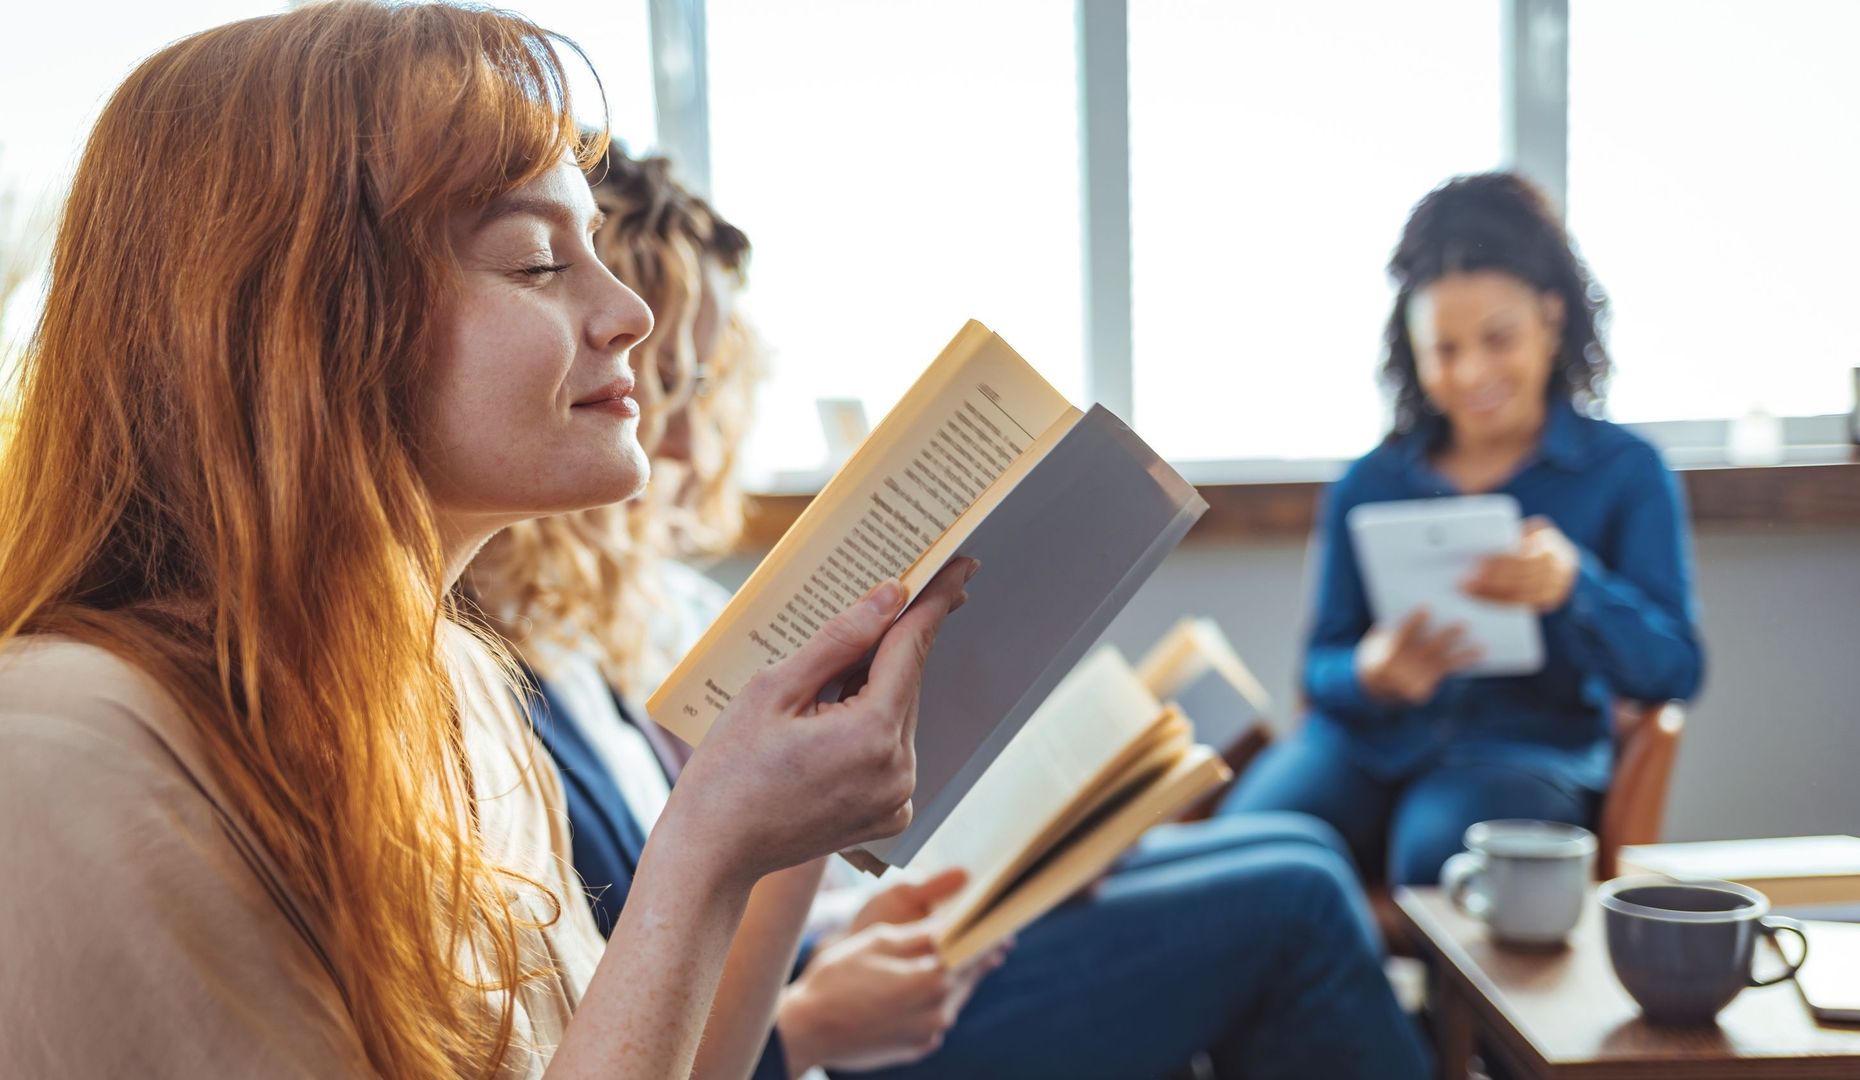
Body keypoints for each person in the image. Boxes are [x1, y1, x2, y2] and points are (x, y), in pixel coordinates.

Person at [0, 6, 973, 1078]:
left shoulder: (459, 686)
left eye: (592, 249)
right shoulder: (61, 758)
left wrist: (774, 840)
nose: (630, 316)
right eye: (534, 263)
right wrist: (705, 847)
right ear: (303, 327)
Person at [471, 145, 1433, 1080]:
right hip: (803, 1008)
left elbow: (709, 901)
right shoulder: (509, 690)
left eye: (695, 384)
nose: (673, 434)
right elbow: (655, 958)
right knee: (1297, 899)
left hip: (821, 955)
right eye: (659, 383)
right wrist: (805, 1016)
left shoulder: (602, 640)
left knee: (1299, 848)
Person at [1219, 172, 1706, 888]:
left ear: (1550, 318)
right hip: (1363, 744)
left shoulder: (1626, 472)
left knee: (1442, 855)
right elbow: (1321, 666)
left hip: (1525, 755)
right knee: (1243, 853)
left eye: (1498, 338)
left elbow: (1677, 670)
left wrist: (1575, 588)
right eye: (1445, 350)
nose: (1473, 371)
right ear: (1412, 350)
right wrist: (1371, 671)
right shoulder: (1368, 484)